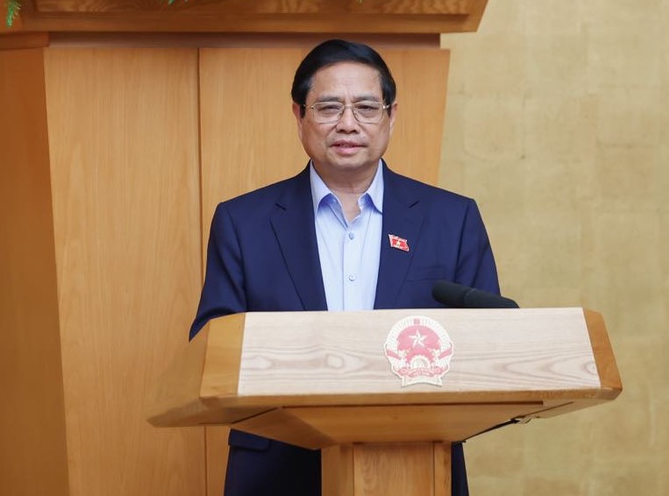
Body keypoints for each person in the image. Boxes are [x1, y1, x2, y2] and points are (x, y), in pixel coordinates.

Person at [190, 39, 501, 496]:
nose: (348, 123)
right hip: (277, 469)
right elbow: (212, 347)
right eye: (329, 107)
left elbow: (489, 344)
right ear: (299, 116)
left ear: (392, 116)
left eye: (367, 108)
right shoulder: (243, 222)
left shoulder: (452, 219)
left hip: (415, 463)